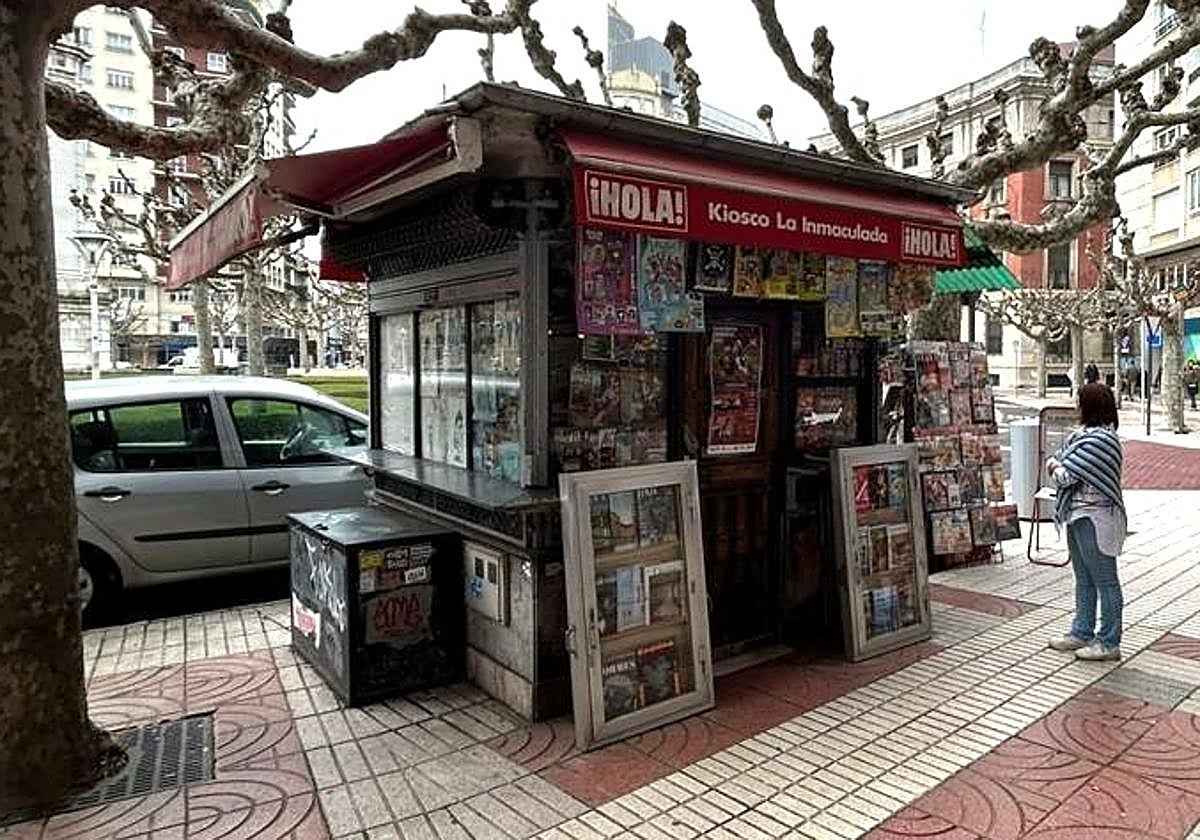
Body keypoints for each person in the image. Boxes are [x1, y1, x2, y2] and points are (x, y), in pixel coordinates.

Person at [1046, 383, 1127, 661]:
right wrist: (1058, 463)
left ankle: (1109, 642)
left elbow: (1065, 476)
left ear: (1090, 406)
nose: (1075, 406)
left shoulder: (1101, 441)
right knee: (1084, 580)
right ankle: (1081, 631)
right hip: (1077, 515)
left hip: (1096, 518)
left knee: (1106, 581)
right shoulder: (1081, 437)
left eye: (1079, 401)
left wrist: (1054, 464)